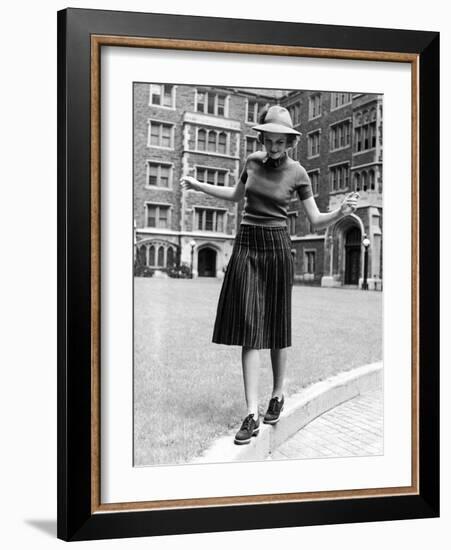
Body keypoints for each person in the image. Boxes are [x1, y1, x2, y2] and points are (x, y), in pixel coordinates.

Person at [180, 104, 359, 445]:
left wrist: (340, 211)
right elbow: (235, 197)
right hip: (247, 243)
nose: (275, 147)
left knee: (276, 326)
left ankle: (278, 392)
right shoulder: (250, 162)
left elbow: (315, 219)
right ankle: (251, 414)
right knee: (250, 327)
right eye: (270, 140)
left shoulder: (299, 173)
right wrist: (198, 185)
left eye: (281, 142)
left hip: (277, 245)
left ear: (289, 143)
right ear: (262, 137)